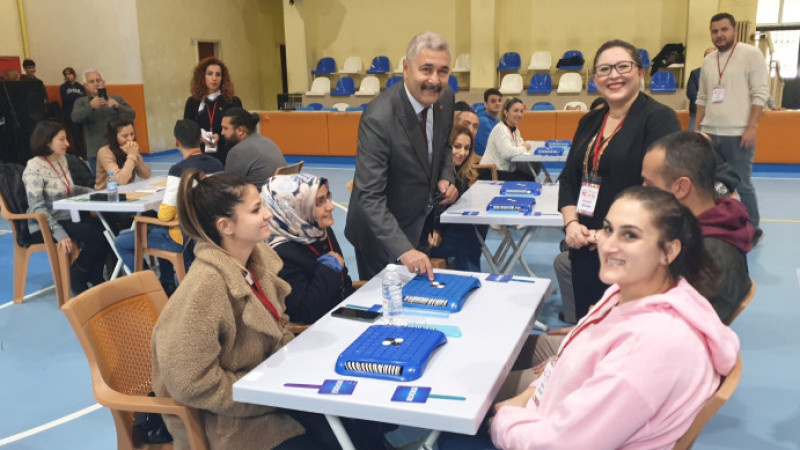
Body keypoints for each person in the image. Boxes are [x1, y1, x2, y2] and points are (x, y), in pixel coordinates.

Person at [487, 186, 740, 449]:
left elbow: (561, 445)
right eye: (608, 229)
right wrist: (528, 396)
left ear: (669, 251)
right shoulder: (635, 291)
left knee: (469, 405)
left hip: (548, 436)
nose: (608, 245)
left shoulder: (652, 348)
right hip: (548, 411)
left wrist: (502, 423)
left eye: (630, 235)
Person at [151, 170, 382, 450]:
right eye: (256, 209)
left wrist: (287, 380)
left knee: (358, 424)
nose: (268, 214)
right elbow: (190, 382)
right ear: (225, 226)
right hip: (233, 423)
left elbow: (279, 328)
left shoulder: (257, 263)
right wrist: (262, 394)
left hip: (273, 393)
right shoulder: (204, 288)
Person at [557, 39, 681, 323]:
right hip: (585, 246)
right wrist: (572, 224)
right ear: (595, 79)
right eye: (604, 69)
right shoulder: (589, 122)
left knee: (625, 332)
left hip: (632, 252)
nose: (613, 75)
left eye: (623, 66)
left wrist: (613, 234)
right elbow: (569, 179)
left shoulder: (659, 118)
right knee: (591, 325)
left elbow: (661, 191)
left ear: (640, 72)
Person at [345, 31, 458, 281]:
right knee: (386, 301)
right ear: (406, 68)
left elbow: (445, 146)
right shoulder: (379, 118)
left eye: (443, 71)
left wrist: (446, 176)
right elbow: (369, 196)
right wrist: (403, 249)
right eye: (426, 69)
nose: (435, 80)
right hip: (380, 237)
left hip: (420, 224)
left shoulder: (446, 98)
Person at [642, 131, 754, 322]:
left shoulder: (709, 261)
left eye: (649, 184)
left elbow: (677, 330)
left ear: (681, 188)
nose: (642, 191)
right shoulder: (691, 230)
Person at [115, 120, 223, 293]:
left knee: (121, 241)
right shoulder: (217, 165)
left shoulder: (178, 170)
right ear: (200, 139)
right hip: (212, 233)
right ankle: (166, 281)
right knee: (154, 227)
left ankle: (152, 289)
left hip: (184, 238)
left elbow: (164, 216)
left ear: (176, 142)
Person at [694, 12, 770, 246]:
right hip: (709, 132)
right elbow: (702, 98)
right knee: (713, 184)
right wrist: (697, 129)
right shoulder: (708, 60)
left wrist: (751, 127)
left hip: (738, 134)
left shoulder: (751, 54)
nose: (720, 35)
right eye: (715, 31)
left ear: (735, 30)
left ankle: (753, 228)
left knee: (742, 184)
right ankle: (719, 223)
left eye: (724, 30)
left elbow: (760, 93)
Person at [22, 120, 111, 294]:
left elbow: (70, 189)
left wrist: (94, 192)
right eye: (62, 139)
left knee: (107, 230)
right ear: (47, 142)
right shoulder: (34, 168)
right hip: (47, 223)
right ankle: (77, 274)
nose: (67, 144)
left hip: (68, 217)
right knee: (96, 235)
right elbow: (36, 206)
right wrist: (59, 233)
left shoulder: (61, 160)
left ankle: (93, 273)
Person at [262, 174, 355, 324]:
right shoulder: (281, 253)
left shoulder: (318, 231)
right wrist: (328, 269)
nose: (331, 206)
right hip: (317, 329)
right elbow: (306, 312)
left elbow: (344, 281)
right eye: (319, 202)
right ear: (293, 209)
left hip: (344, 313)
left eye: (328, 197)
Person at [429, 125, 483, 272]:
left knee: (476, 227)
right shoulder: (435, 172)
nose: (462, 153)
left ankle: (470, 275)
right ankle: (471, 276)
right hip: (425, 237)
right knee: (466, 236)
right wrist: (434, 229)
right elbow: (427, 208)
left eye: (467, 148)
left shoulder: (462, 173)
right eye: (457, 146)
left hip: (445, 229)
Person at [183, 57, 243, 165]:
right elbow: (187, 129)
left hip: (226, 156)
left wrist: (220, 137)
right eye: (210, 74)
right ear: (202, 77)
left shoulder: (233, 101)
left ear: (222, 79)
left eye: (218, 74)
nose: (214, 78)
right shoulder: (192, 102)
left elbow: (238, 129)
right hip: (200, 156)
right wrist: (200, 138)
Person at [71, 69, 136, 159]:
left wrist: (118, 106)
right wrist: (90, 107)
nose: (96, 84)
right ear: (85, 85)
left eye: (98, 80)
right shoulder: (81, 102)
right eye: (91, 82)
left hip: (119, 149)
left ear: (104, 82)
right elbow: (75, 118)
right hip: (95, 151)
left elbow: (132, 115)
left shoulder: (117, 99)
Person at [222, 107, 286, 187]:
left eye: (225, 128)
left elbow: (229, 187)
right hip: (279, 192)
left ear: (240, 130)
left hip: (259, 194)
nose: (222, 132)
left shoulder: (237, 151)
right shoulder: (268, 141)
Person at [480, 97, 536, 180]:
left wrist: (520, 148)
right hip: (490, 172)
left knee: (531, 177)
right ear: (505, 112)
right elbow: (508, 153)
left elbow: (519, 147)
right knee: (526, 180)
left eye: (521, 111)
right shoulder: (500, 129)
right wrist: (523, 148)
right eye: (515, 111)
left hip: (504, 171)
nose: (520, 115)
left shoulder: (515, 130)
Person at [94, 117, 151, 190]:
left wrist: (136, 154)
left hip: (127, 191)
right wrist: (131, 156)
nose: (130, 139)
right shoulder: (104, 152)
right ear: (114, 137)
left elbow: (146, 174)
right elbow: (121, 180)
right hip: (108, 193)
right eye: (125, 136)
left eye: (132, 134)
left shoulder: (129, 149)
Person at [686, 48, 716, 131]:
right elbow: (691, 93)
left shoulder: (723, 74)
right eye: (708, 55)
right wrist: (705, 100)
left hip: (715, 113)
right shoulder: (695, 73)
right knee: (693, 137)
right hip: (696, 112)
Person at [59, 67, 87, 158]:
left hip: (79, 113)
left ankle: (81, 153)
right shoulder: (63, 87)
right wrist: (77, 98)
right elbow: (66, 99)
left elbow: (84, 99)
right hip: (68, 114)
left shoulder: (80, 87)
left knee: (79, 134)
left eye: (70, 74)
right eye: (66, 75)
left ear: (74, 75)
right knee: (73, 135)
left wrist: (75, 98)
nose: (68, 76)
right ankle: (78, 154)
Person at [475, 88, 502, 156]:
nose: (498, 103)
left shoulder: (496, 121)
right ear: (486, 104)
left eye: (499, 100)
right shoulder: (482, 121)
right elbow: (492, 148)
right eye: (493, 101)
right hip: (483, 160)